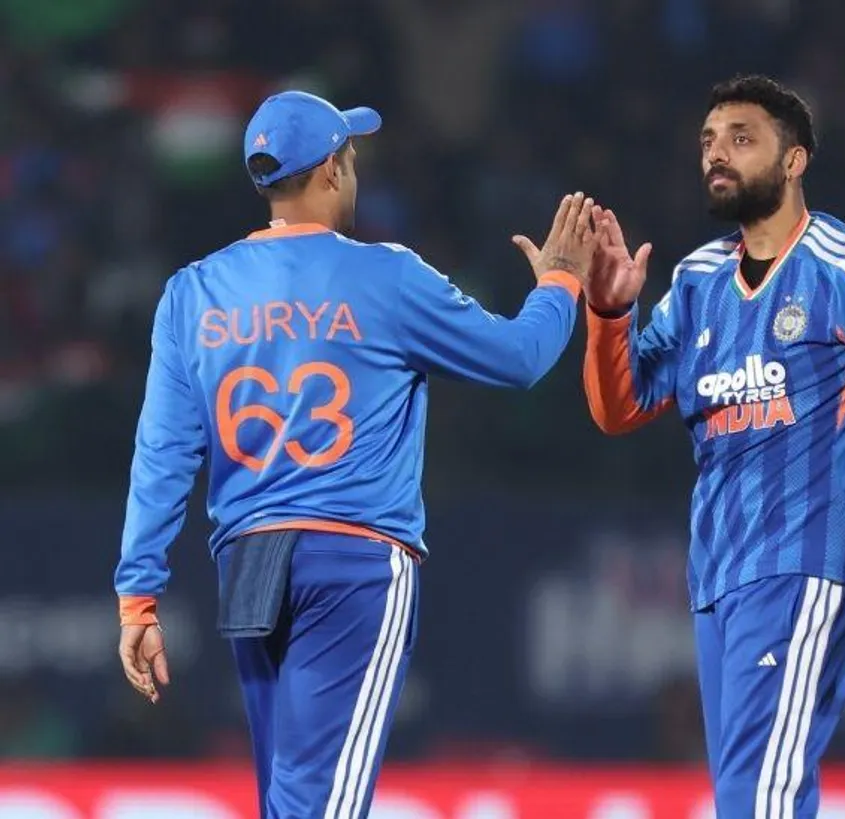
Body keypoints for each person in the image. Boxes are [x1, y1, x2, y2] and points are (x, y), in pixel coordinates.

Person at [113, 89, 597, 818]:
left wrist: (137, 596)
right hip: (354, 557)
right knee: (321, 804)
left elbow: (162, 452)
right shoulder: (386, 276)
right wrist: (559, 281)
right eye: (352, 155)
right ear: (333, 169)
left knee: (293, 799)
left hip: (248, 561)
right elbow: (519, 358)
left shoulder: (193, 293)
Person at [581, 75, 845, 817]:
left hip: (810, 561)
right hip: (718, 576)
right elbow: (618, 408)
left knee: (760, 790)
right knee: (748, 791)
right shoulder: (695, 281)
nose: (716, 154)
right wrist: (607, 312)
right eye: (707, 141)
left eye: (740, 138)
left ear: (794, 160)